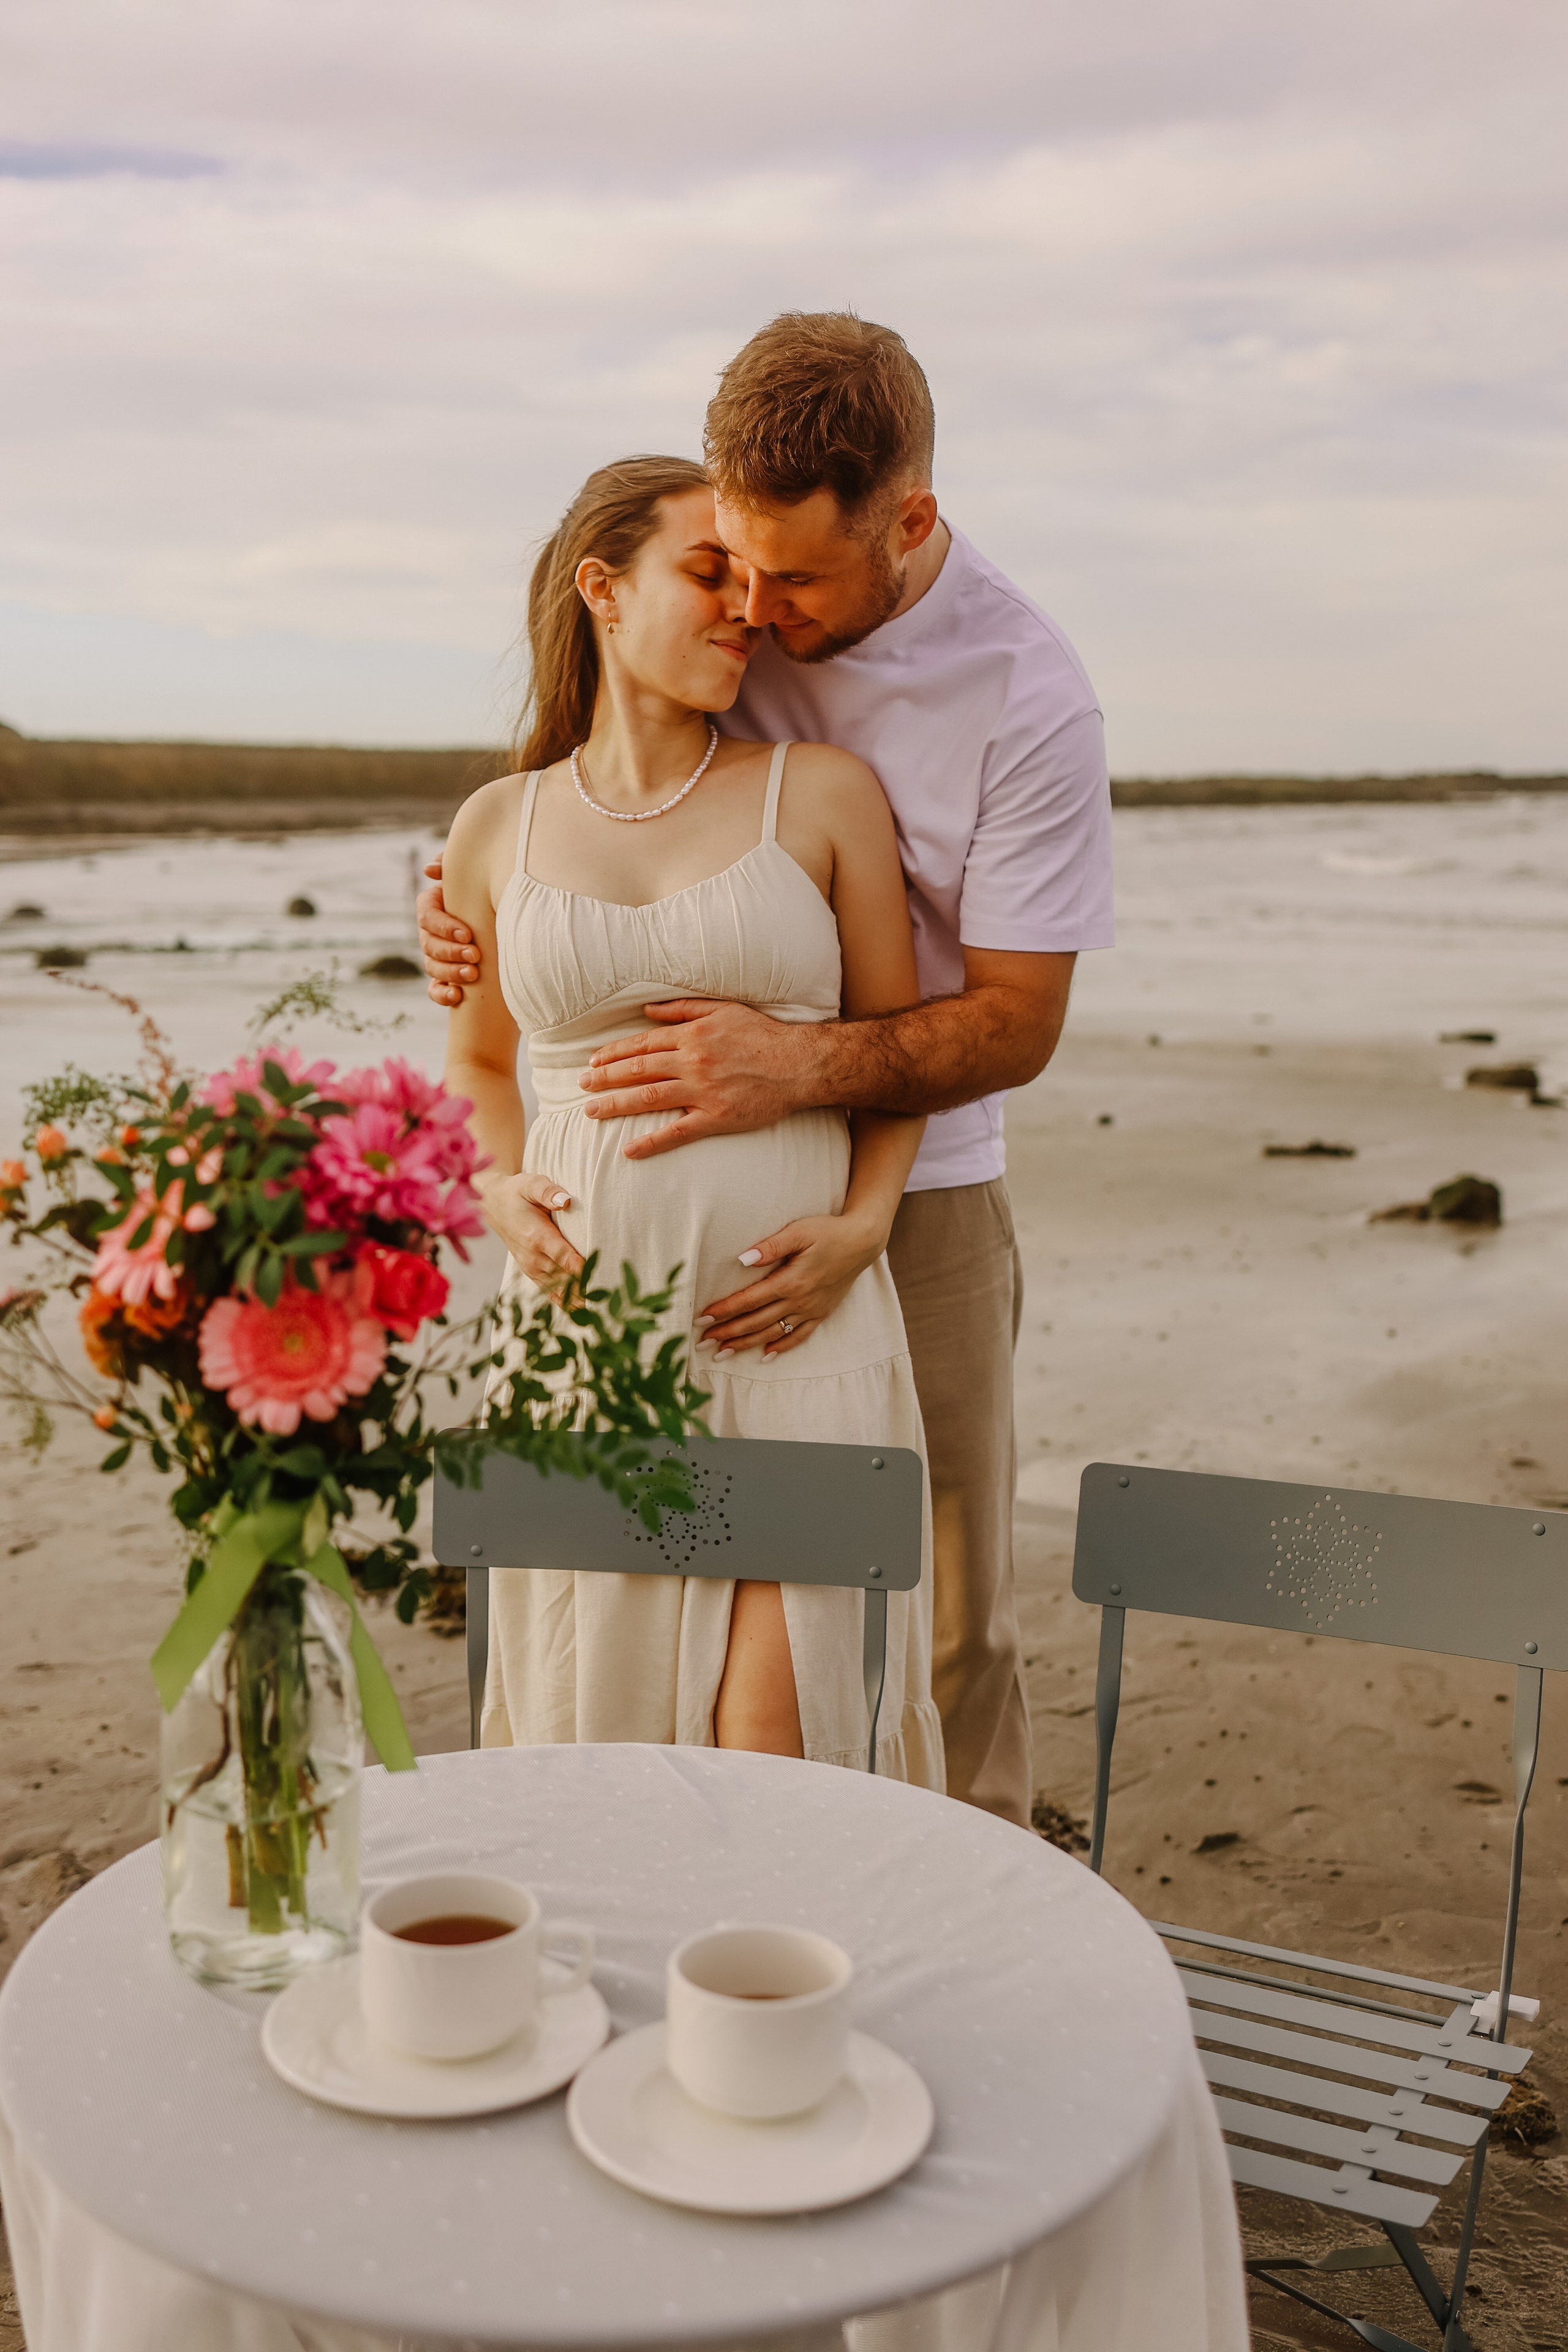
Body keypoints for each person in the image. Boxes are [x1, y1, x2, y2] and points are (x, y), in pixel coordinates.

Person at [421, 314, 1114, 1826]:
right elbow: (578, 801)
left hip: (893, 1213)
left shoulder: (1027, 702)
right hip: (606, 1284)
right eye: (731, 568)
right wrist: (472, 922)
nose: (759, 613)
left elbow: (1013, 1023)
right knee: (593, 1643)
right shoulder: (698, 650)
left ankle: (965, 1920)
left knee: (935, 1624)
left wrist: (800, 1084)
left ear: (908, 523)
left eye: (792, 581)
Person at [440, 451, 944, 1787]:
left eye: (754, 582)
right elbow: (482, 1064)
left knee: (778, 1740)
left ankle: (791, 1995)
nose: (744, 609)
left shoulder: (821, 794)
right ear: (601, 588)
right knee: (601, 1738)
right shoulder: (497, 826)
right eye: (707, 573)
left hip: (787, 1326)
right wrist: (497, 1188)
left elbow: (896, 1057)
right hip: (583, 1342)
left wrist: (862, 1227)